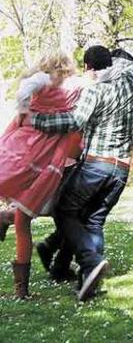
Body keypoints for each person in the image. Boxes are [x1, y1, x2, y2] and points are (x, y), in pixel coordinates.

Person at [31, 45, 133, 302]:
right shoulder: (130, 84)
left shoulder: (96, 89)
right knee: (93, 220)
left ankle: (90, 262)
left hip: (96, 165)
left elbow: (74, 121)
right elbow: (129, 66)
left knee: (64, 210)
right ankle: (80, 277)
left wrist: (38, 121)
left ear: (90, 67)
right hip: (121, 170)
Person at [0, 52, 83, 298]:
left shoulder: (61, 92)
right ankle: (21, 290)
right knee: (27, 215)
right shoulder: (42, 80)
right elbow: (25, 91)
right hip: (32, 150)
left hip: (43, 154)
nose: (64, 80)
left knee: (26, 216)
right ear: (55, 69)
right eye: (63, 74)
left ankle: (21, 289)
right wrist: (26, 112)